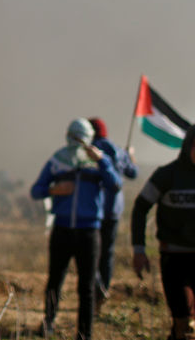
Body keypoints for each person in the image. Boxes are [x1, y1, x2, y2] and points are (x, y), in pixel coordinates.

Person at [30, 118, 121, 340]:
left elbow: (115, 185)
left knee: (87, 287)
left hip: (89, 232)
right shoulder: (58, 160)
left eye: (81, 138)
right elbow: (36, 190)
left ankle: (84, 334)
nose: (76, 142)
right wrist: (55, 190)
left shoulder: (98, 162)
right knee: (55, 280)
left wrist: (102, 161)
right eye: (73, 137)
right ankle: (48, 323)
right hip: (61, 229)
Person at [131, 124, 195, 340]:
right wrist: (139, 250)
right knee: (183, 321)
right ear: (188, 147)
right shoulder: (167, 175)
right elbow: (140, 208)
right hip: (174, 258)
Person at [88, 117, 138, 308]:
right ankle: (104, 292)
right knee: (107, 254)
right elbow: (133, 173)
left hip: (95, 210)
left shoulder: (89, 152)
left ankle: (98, 286)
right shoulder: (119, 151)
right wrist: (130, 155)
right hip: (114, 211)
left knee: (91, 253)